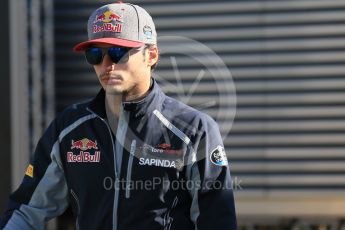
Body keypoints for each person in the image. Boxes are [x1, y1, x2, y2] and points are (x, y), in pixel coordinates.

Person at [0, 2, 236, 230]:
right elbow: (27, 211)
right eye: (94, 54)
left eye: (118, 52)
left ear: (151, 55)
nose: (106, 64)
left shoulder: (194, 129)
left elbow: (217, 220)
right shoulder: (70, 127)